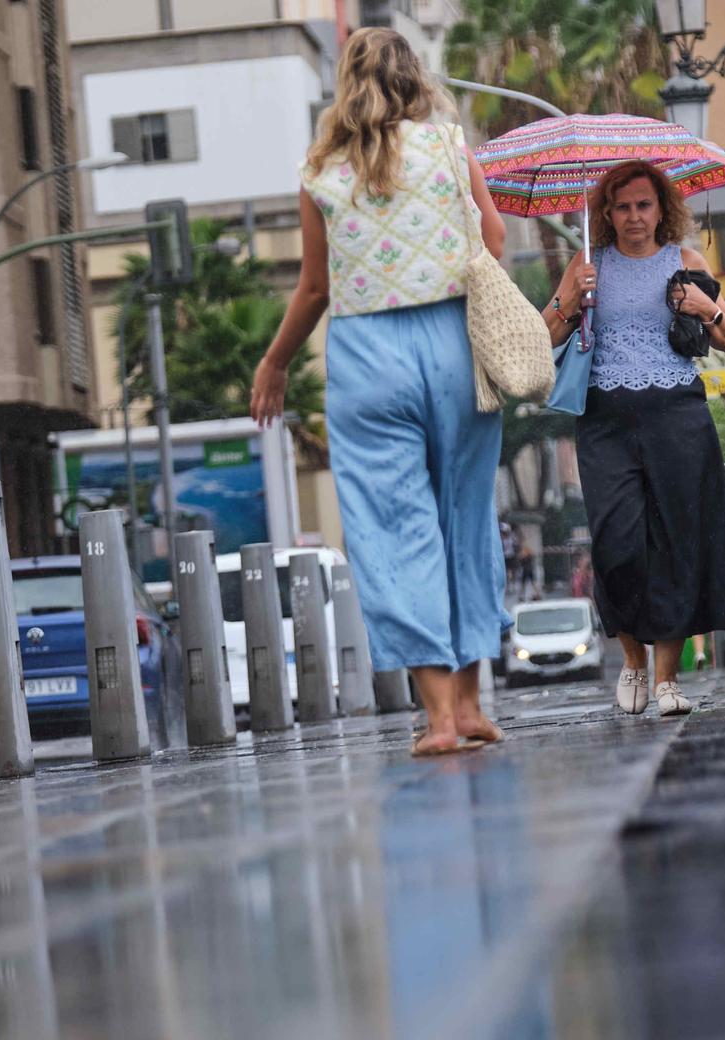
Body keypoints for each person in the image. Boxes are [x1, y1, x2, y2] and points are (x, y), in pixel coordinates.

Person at [252, 28, 509, 756]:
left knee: (397, 530)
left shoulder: (320, 171)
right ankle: (471, 704)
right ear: (413, 78)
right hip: (456, 348)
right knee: (465, 514)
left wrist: (274, 364)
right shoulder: (451, 147)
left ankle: (435, 721)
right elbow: (491, 237)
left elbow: (312, 289)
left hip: (369, 356)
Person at [544, 161, 725, 719]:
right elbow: (543, 334)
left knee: (676, 543)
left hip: (677, 415)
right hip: (605, 419)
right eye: (623, 206)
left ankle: (668, 678)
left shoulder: (686, 262)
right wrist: (569, 302)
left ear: (661, 210)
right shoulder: (588, 264)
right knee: (616, 542)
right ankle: (632, 658)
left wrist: (705, 305)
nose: (634, 216)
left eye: (644, 205)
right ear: (606, 212)